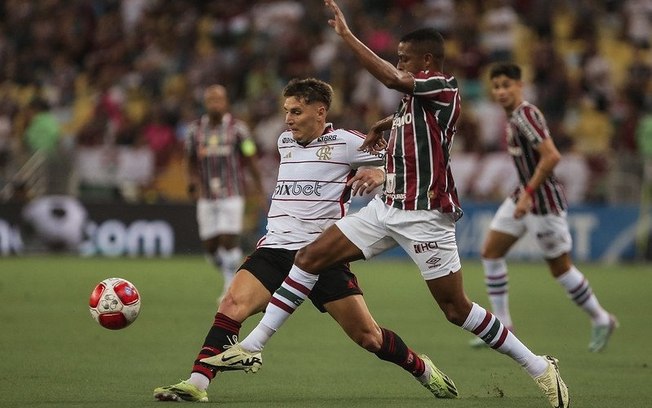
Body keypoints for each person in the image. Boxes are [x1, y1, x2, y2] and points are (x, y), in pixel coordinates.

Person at [201, 2, 570, 407]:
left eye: (405, 58)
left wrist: (346, 36)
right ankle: (252, 346)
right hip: (385, 208)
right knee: (309, 257)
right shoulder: (414, 102)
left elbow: (395, 81)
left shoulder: (444, 87)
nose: (399, 63)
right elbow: (407, 130)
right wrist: (385, 131)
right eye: (398, 58)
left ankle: (538, 366)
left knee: (455, 308)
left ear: (427, 60)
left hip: (426, 215)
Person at [154, 78, 459, 402]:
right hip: (275, 248)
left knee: (368, 336)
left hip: (322, 255)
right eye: (287, 111)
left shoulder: (346, 142)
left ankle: (422, 369)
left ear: (320, 111)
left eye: (297, 111)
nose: (289, 119)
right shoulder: (285, 141)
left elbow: (408, 163)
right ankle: (196, 384)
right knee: (232, 304)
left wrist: (381, 174)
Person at [468, 62, 617, 352]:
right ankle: (503, 324)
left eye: (506, 85)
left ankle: (601, 318)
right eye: (496, 86)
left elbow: (551, 157)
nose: (500, 91)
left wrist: (528, 194)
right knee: (491, 251)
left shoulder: (525, 115)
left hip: (542, 202)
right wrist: (523, 194)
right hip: (522, 196)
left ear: (519, 86)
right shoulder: (513, 118)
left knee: (561, 269)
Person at [185, 85, 264, 301]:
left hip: (232, 193)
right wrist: (192, 182)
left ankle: (231, 283)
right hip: (206, 196)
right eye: (211, 100)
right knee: (211, 247)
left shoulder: (239, 130)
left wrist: (259, 187)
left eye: (219, 100)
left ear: (226, 102)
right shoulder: (194, 131)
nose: (215, 104)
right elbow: (190, 160)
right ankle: (230, 272)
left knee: (228, 239)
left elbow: (250, 157)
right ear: (205, 103)